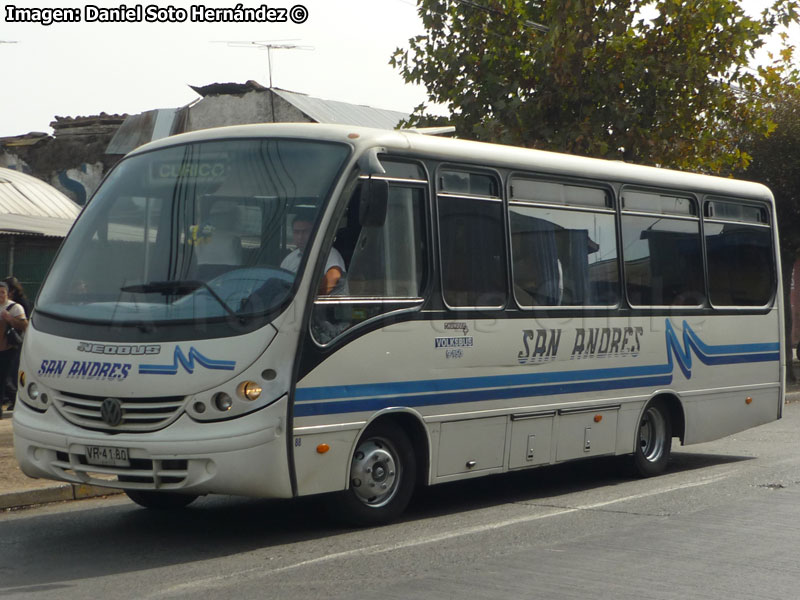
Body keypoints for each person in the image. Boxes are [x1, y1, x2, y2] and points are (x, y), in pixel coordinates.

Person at [280, 216, 346, 295]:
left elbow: (334, 276)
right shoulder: (289, 259)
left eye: (305, 232)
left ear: (314, 233)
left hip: (325, 305)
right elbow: (281, 283)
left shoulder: (328, 253)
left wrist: (308, 298)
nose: (300, 237)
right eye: (296, 232)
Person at [0, 281, 27, 418]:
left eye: (2, 292)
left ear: (8, 293)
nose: (0, 296)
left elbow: (24, 326)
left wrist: (9, 319)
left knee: (4, 377)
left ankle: (16, 400)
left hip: (9, 348)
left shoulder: (15, 308)